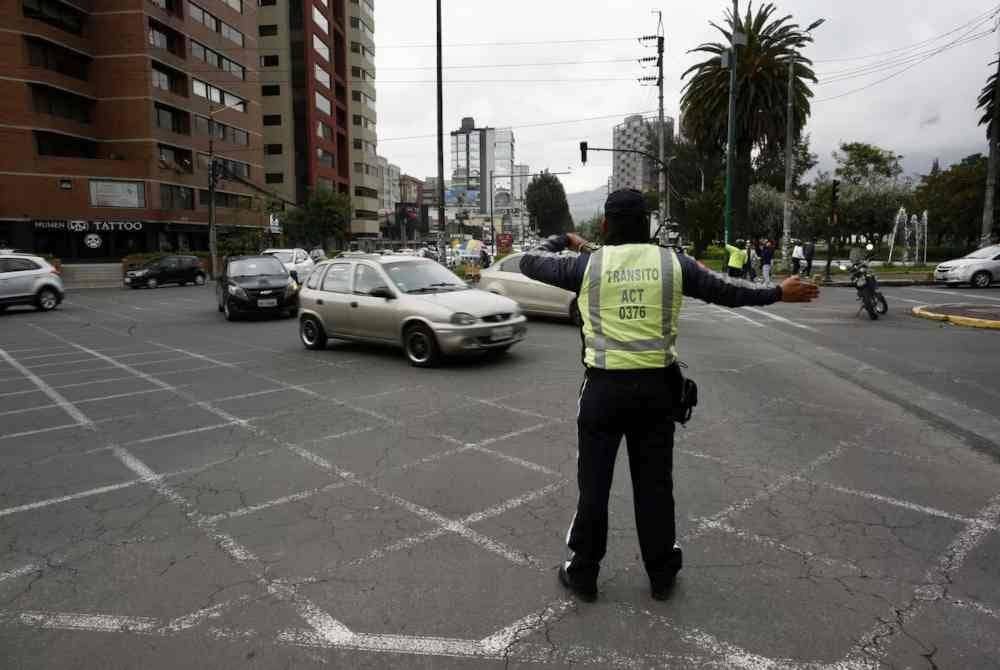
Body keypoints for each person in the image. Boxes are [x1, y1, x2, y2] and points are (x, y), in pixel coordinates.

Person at [520, 189, 820, 602]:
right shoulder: (672, 264)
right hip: (656, 394)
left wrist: (565, 238)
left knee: (594, 486)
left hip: (603, 393)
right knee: (655, 487)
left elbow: (529, 261)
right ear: (649, 225)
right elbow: (728, 291)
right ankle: (661, 574)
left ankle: (584, 573)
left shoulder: (587, 266)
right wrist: (777, 292)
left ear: (606, 226)